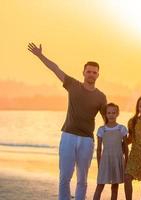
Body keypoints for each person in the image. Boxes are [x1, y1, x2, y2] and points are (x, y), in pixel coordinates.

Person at [28, 43, 107, 200]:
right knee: (64, 176)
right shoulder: (73, 85)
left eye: (94, 72)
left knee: (82, 179)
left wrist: (114, 142)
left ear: (98, 75)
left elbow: (108, 122)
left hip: (87, 140)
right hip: (68, 136)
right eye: (89, 71)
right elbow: (55, 68)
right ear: (83, 72)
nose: (91, 74)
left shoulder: (101, 97)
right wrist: (40, 55)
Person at [93, 103, 128, 200]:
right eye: (109, 113)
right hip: (105, 161)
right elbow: (99, 149)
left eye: (113, 113)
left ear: (117, 114)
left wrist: (126, 162)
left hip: (117, 160)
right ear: (105, 114)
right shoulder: (102, 129)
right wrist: (99, 164)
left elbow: (125, 146)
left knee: (115, 187)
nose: (111, 115)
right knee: (100, 185)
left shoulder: (122, 129)